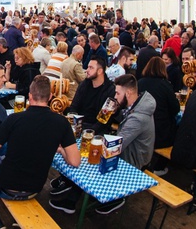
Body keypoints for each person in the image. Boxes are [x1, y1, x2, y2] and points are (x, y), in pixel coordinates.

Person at [0, 76, 80, 229]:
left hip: (8, 187)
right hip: (35, 188)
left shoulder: (14, 119)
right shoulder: (62, 123)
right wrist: (60, 149)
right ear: (49, 97)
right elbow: (75, 161)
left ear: (29, 96)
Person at [51, 73, 156, 215]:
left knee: (89, 159)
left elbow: (115, 147)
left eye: (118, 93)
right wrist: (115, 111)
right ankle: (68, 182)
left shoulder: (138, 118)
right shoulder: (136, 104)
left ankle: (71, 201)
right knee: (84, 152)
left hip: (133, 160)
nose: (116, 97)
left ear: (129, 93)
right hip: (126, 150)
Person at [138, 57, 180, 176]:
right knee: (177, 131)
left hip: (142, 129)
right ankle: (160, 166)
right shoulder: (165, 85)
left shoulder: (140, 82)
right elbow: (175, 108)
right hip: (161, 132)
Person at [66, 56, 115, 132]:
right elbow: (74, 107)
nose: (87, 70)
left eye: (91, 68)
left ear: (100, 71)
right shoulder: (84, 84)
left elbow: (104, 120)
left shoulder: (110, 90)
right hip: (79, 125)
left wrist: (89, 131)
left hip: (98, 130)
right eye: (88, 67)